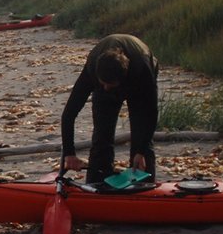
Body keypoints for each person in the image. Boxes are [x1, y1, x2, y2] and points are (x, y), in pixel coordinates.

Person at [61, 34, 159, 183]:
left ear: (122, 79)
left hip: (138, 78)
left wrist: (141, 151)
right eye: (103, 83)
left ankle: (145, 183)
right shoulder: (93, 69)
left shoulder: (142, 70)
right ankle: (98, 182)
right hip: (102, 75)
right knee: (101, 137)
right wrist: (69, 153)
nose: (106, 88)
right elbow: (69, 113)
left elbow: (151, 113)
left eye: (110, 85)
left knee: (141, 136)